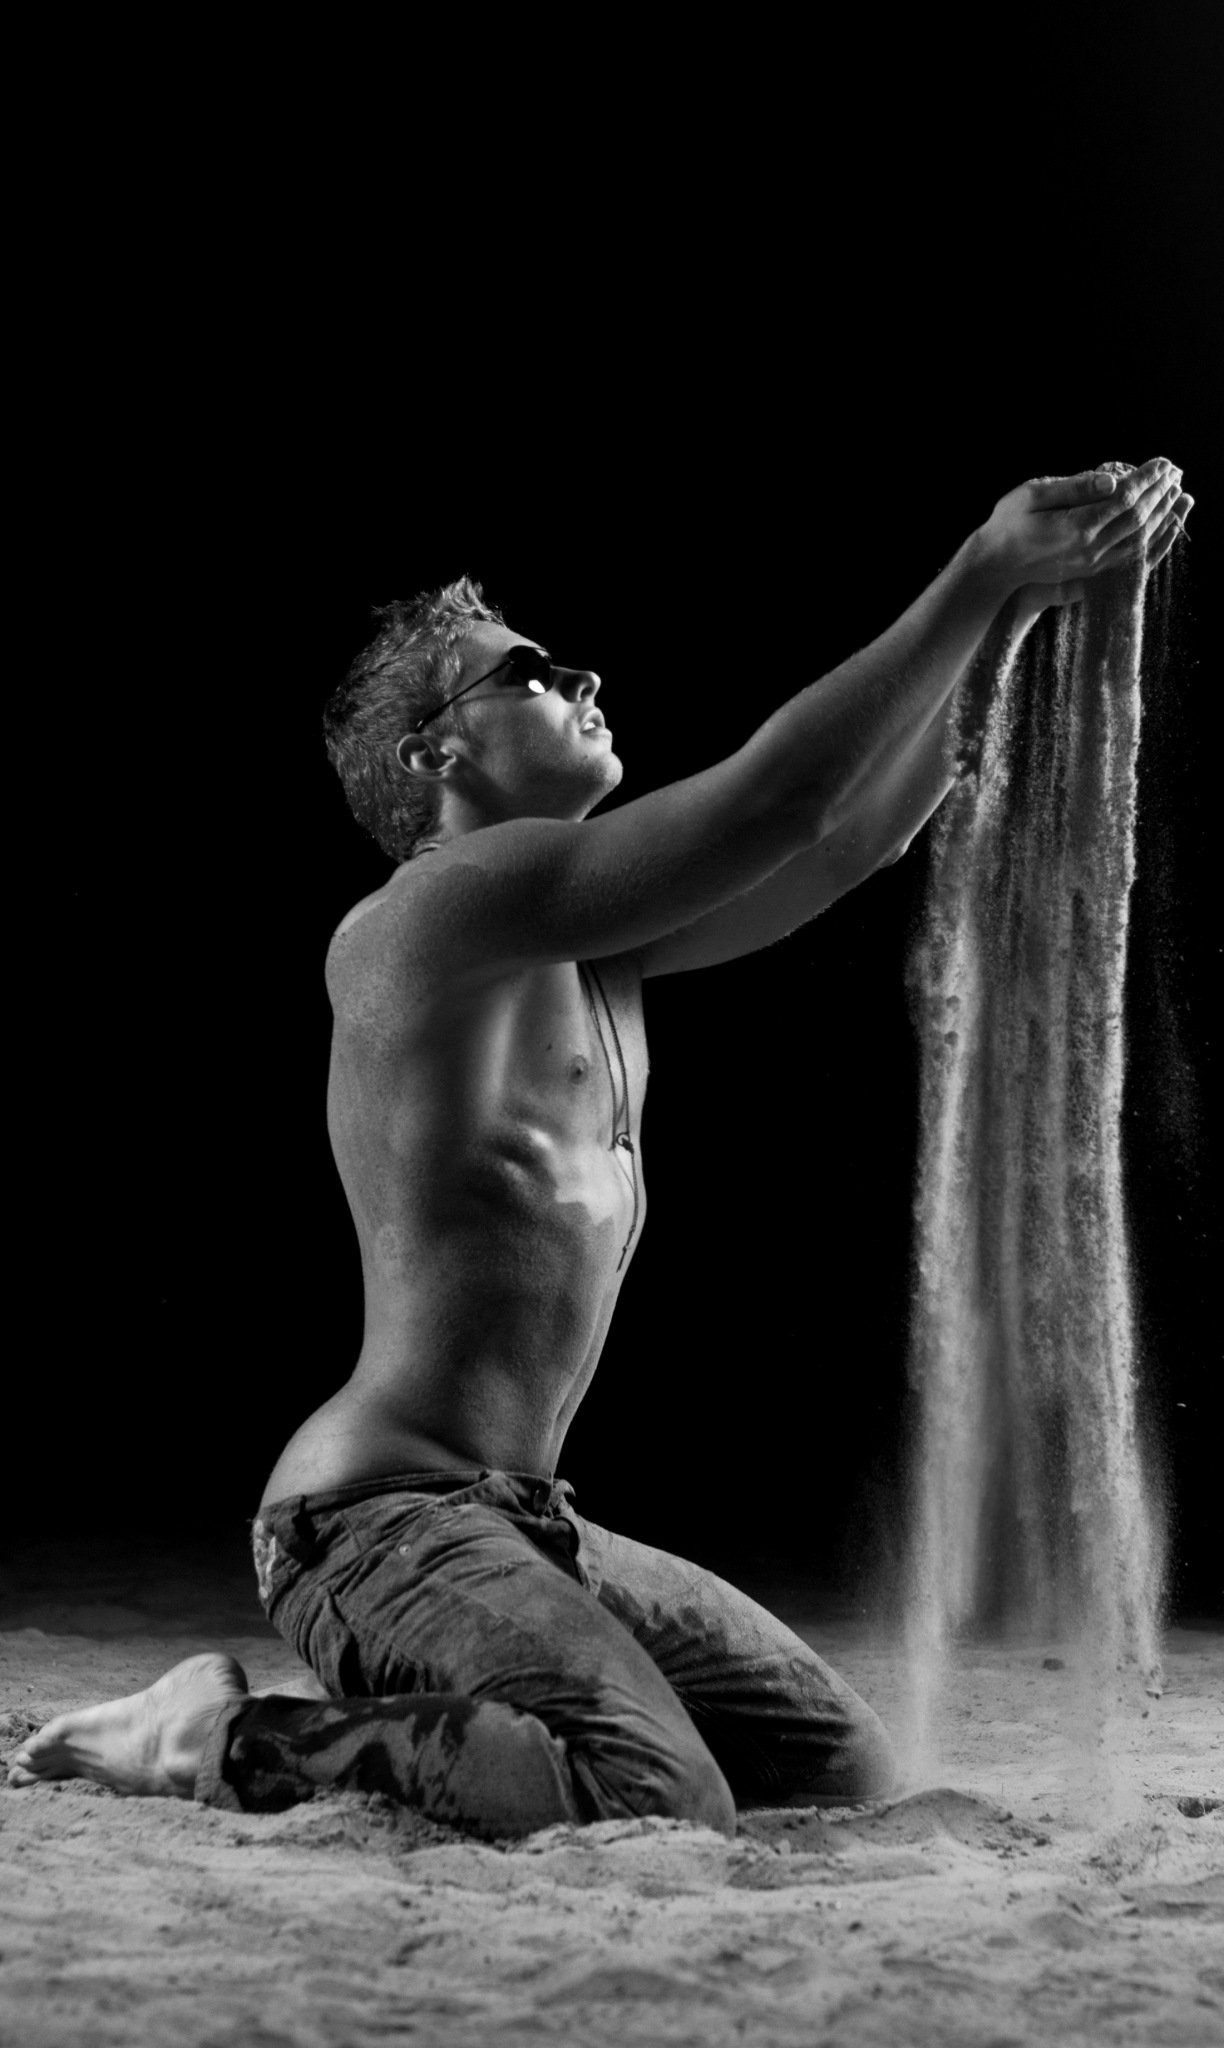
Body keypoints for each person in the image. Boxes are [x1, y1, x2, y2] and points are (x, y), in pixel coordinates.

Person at [8, 459, 1190, 1833]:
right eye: (530, 672)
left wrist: (1020, 615)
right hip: (373, 1523)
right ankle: (215, 1733)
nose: (582, 678)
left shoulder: (596, 950)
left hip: (528, 1518)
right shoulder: (428, 919)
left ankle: (454, 1707)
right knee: (652, 1786)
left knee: (840, 1776)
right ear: (433, 755)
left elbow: (846, 843)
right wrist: (980, 569)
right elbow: (782, 807)